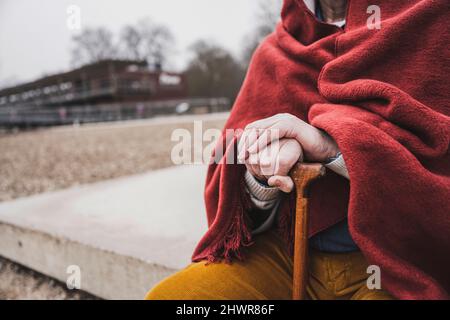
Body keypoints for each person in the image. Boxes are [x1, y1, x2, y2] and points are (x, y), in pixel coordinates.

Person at [146, 0, 450, 300]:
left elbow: (439, 154)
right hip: (289, 257)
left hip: (397, 265)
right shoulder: (276, 50)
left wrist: (328, 146)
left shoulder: (432, 21)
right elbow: (234, 181)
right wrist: (262, 173)